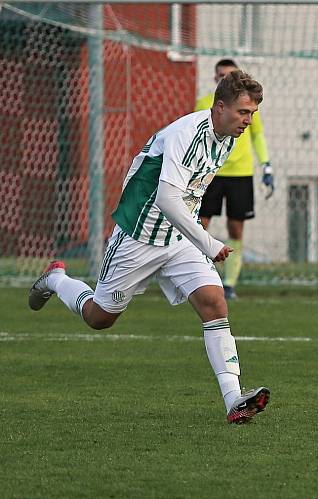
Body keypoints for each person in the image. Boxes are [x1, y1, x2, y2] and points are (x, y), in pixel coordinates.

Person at [28, 70, 270, 424]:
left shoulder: (228, 138)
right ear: (220, 107)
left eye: (252, 114)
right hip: (137, 238)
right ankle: (56, 279)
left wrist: (194, 241)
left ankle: (234, 399)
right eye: (243, 113)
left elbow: (187, 196)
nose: (248, 121)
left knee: (214, 303)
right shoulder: (186, 134)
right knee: (100, 318)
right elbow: (167, 198)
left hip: (176, 239)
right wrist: (207, 240)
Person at [197, 59, 273, 300]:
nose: (225, 79)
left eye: (230, 75)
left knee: (235, 228)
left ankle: (229, 283)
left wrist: (266, 165)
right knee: (198, 226)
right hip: (212, 173)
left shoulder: (247, 105)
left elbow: (257, 135)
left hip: (240, 173)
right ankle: (197, 277)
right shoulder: (204, 104)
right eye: (221, 75)